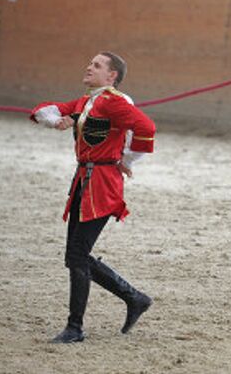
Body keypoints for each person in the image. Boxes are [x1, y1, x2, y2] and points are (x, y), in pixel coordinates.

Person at [31, 51, 156, 343]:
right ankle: (134, 298)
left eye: (97, 65)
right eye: (90, 63)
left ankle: (75, 328)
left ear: (112, 76)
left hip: (102, 185)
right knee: (74, 256)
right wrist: (55, 121)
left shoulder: (114, 103)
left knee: (76, 255)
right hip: (83, 182)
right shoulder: (85, 103)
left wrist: (127, 159)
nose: (89, 67)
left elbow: (146, 128)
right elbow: (44, 109)